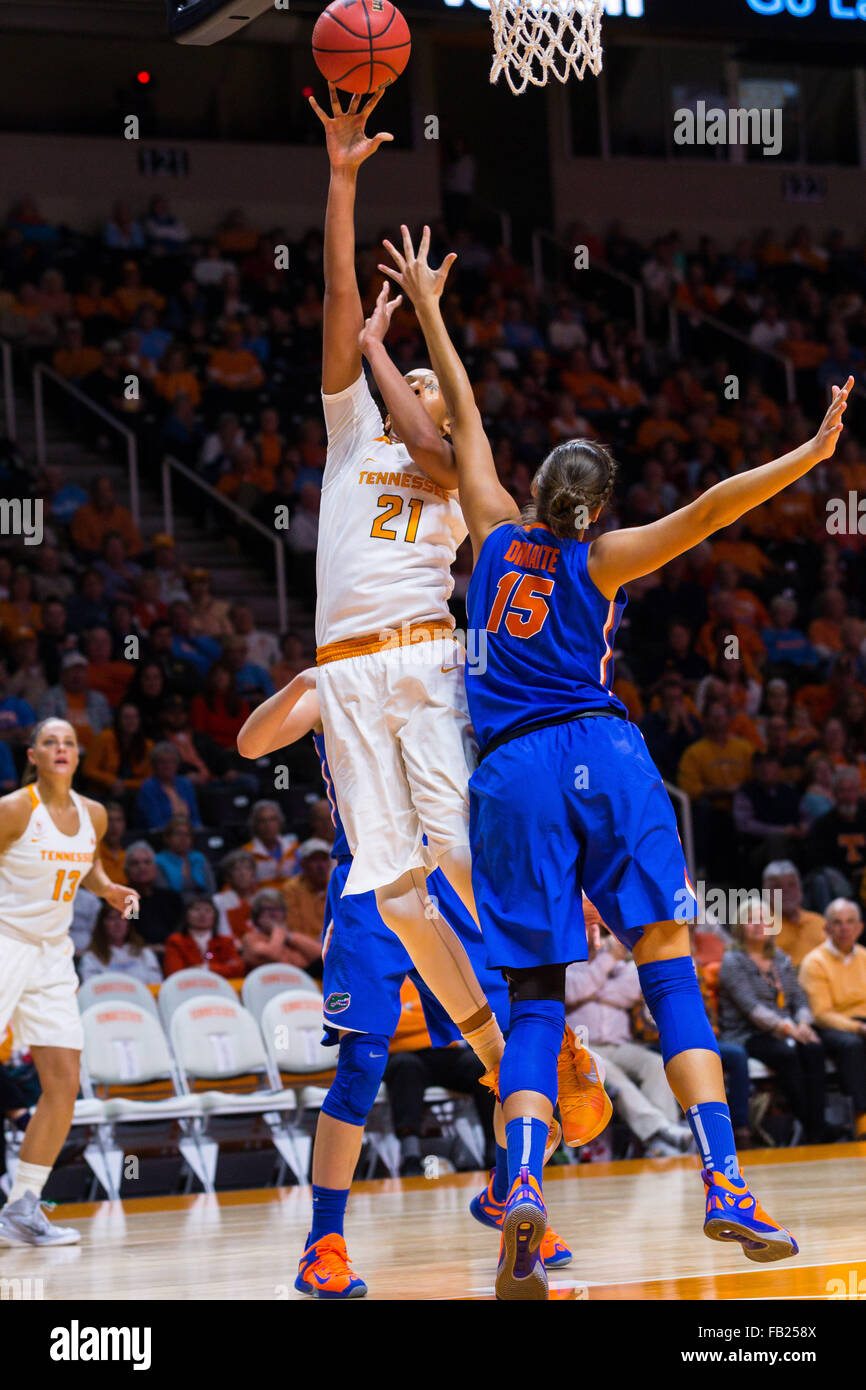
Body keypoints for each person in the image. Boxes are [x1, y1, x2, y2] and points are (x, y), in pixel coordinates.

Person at [383, 228, 849, 1295]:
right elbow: (709, 508)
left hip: (504, 773)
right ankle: (723, 1178)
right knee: (665, 962)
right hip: (600, 751)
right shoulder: (604, 556)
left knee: (535, 998)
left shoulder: (490, 526)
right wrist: (809, 458)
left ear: (536, 489)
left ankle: (525, 1180)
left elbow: (462, 412)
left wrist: (428, 308)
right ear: (594, 509)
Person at [237, 671, 571, 1299]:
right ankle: (323, 1246)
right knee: (362, 1063)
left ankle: (510, 1197)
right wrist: (302, 682)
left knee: (507, 1057)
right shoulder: (340, 675)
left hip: (452, 871)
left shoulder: (452, 669)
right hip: (368, 879)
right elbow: (251, 744)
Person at [0, 718, 138, 1246]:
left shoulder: (94, 815)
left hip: (53, 954)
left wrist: (108, 890)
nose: (60, 749)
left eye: (69, 743)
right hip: (7, 943)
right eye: (49, 742)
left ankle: (22, 1207)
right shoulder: (15, 809)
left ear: (79, 756)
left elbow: (89, 869)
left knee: (63, 1081)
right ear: (32, 755)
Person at [565, 934, 694, 1158]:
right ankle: (661, 1133)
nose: (593, 934)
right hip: (581, 1048)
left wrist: (592, 987)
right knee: (605, 1069)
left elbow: (631, 992)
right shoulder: (567, 965)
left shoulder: (624, 965)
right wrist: (606, 965)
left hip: (620, 1046)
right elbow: (572, 992)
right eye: (586, 928)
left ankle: (663, 1141)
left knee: (656, 1064)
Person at [718, 897, 829, 1145]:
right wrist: (789, 1029)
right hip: (747, 1034)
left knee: (815, 1048)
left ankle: (818, 1125)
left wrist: (803, 1025)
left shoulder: (780, 958)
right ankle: (812, 1125)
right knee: (786, 1055)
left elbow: (799, 997)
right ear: (739, 927)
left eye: (763, 920)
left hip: (788, 1030)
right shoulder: (733, 960)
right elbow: (751, 1008)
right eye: (751, 920)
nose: (759, 925)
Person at [799, 898, 866, 1139]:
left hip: (861, 1022)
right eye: (837, 923)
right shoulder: (814, 962)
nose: (844, 928)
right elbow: (821, 1014)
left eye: (850, 922)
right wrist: (857, 1028)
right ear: (826, 928)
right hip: (832, 1026)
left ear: (860, 927)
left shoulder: (864, 956)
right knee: (853, 1045)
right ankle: (862, 1120)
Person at [238, 889, 322, 973]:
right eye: (267, 909)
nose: (274, 913)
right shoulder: (250, 938)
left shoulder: (291, 938)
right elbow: (272, 955)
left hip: (301, 979)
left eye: (278, 908)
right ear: (257, 914)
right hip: (272, 981)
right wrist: (277, 930)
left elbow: (322, 956)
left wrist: (290, 937)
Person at [79, 902, 162, 985]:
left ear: (129, 923)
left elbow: (156, 984)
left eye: (122, 918)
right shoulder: (91, 957)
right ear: (102, 924)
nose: (118, 924)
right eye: (111, 918)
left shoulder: (144, 953)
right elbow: (91, 989)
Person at [123, 840, 184, 950]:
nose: (142, 867)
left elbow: (180, 930)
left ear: (155, 868)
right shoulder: (122, 899)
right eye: (135, 863)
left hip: (171, 950)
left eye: (147, 862)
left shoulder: (172, 898)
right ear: (126, 871)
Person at [163, 897, 243, 979]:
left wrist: (204, 968)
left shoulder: (226, 941)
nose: (202, 914)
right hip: (188, 988)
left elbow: (237, 969)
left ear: (215, 916)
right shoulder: (175, 941)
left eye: (208, 910)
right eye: (196, 909)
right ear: (186, 915)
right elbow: (174, 973)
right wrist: (220, 969)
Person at [155, 815, 216, 900]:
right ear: (167, 838)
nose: (183, 838)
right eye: (178, 834)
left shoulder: (200, 858)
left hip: (203, 907)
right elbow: (163, 894)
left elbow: (211, 890)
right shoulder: (158, 861)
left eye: (187, 835)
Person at [243, 800, 298, 888]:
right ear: (254, 825)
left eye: (272, 819)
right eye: (262, 821)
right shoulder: (246, 853)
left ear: (280, 822)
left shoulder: (294, 848)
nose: (268, 825)